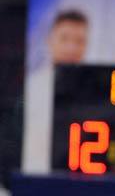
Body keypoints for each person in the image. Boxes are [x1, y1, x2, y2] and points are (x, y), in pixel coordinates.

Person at [22, 9, 89, 173]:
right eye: (64, 38)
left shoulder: (94, 90)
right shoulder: (32, 87)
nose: (71, 47)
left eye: (79, 41)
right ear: (49, 40)